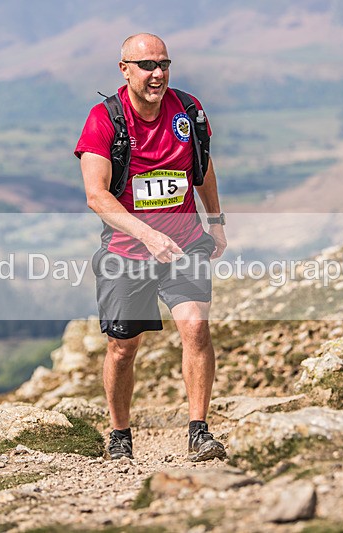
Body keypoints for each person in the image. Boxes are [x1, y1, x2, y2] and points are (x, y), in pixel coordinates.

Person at [75, 33, 228, 462]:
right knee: (124, 347)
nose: (157, 73)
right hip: (127, 252)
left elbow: (203, 168)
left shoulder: (189, 111)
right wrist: (147, 234)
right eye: (147, 66)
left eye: (164, 64)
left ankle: (199, 430)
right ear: (124, 70)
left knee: (196, 327)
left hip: (184, 246)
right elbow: (96, 195)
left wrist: (215, 222)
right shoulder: (104, 119)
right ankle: (120, 433)